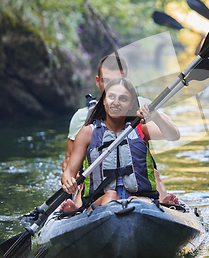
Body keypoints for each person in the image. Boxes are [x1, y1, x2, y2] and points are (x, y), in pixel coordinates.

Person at [61, 78, 181, 212]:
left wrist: (155, 116)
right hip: (100, 200)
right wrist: (68, 182)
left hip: (139, 198)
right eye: (111, 96)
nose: (116, 103)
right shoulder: (87, 133)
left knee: (137, 201)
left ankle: (156, 205)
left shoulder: (141, 128)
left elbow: (174, 135)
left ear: (131, 105)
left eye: (123, 99)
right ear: (104, 101)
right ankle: (78, 209)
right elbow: (68, 173)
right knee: (111, 196)